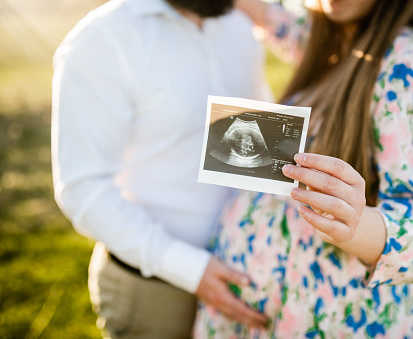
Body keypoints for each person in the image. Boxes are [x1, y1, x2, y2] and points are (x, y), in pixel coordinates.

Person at [194, 0, 413, 337]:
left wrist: (355, 223)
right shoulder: (328, 36)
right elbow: (272, 18)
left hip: (327, 322)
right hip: (250, 310)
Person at [51, 0, 272, 337]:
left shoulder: (239, 25)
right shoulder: (103, 39)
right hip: (155, 289)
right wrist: (191, 270)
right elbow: (83, 189)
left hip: (244, 272)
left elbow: (254, 136)